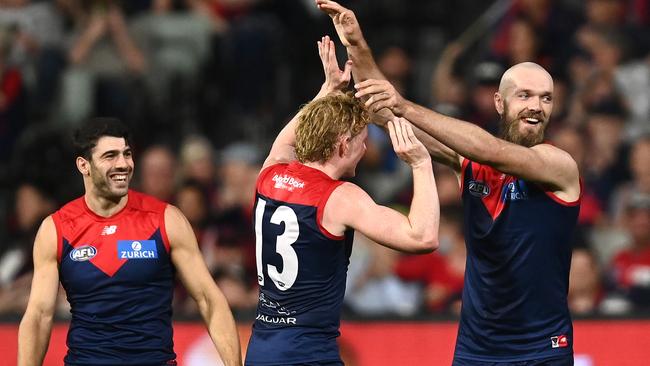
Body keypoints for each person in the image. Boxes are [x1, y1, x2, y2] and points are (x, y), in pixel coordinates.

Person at [316, 1, 582, 364]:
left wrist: (406, 106)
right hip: (477, 350)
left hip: (541, 350)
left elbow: (490, 150)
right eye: (525, 96)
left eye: (546, 97)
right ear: (499, 103)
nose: (536, 106)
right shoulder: (468, 161)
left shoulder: (559, 165)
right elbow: (382, 110)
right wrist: (358, 47)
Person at [245, 36, 440, 365]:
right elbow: (422, 236)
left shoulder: (270, 175)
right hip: (307, 353)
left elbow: (287, 141)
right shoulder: (339, 198)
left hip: (262, 347)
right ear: (342, 146)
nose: (365, 150)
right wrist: (421, 164)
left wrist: (327, 91)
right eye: (361, 141)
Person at [17, 118, 241, 366]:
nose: (123, 164)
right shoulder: (56, 229)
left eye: (127, 154)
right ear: (84, 165)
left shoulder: (166, 220)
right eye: (110, 156)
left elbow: (210, 300)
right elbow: (39, 316)